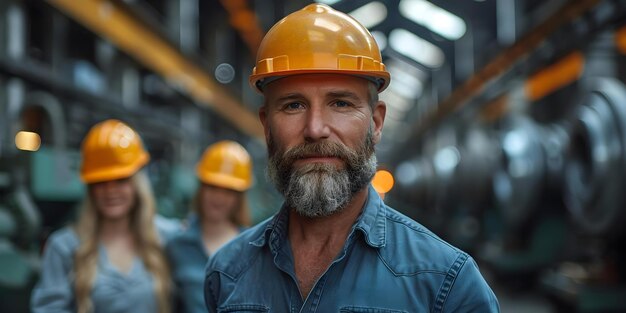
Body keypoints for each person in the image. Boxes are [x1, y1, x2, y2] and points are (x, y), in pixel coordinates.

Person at [204, 3, 500, 312]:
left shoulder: (446, 284)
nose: (315, 129)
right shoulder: (226, 274)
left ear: (376, 123)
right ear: (266, 125)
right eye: (293, 105)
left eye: (341, 103)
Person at [31, 119, 172, 313]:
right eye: (101, 181)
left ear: (137, 184)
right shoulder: (64, 247)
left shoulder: (163, 238)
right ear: (90, 188)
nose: (110, 190)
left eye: (121, 180)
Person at [166, 141, 252, 313]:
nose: (218, 198)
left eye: (228, 190)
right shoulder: (178, 245)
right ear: (201, 188)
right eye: (212, 187)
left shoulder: (253, 248)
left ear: (239, 197)